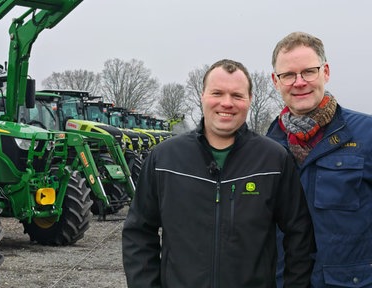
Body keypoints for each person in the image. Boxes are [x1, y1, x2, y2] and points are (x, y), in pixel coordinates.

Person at [122, 59, 315, 288]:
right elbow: (139, 233)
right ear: (202, 96)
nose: (227, 103)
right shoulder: (164, 159)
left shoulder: (274, 160)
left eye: (237, 95)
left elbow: (300, 236)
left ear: (249, 100)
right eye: (217, 93)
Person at [267, 31, 372, 287]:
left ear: (325, 72)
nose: (299, 82)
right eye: (288, 75)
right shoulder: (267, 147)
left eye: (308, 71)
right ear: (275, 81)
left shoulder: (366, 135)